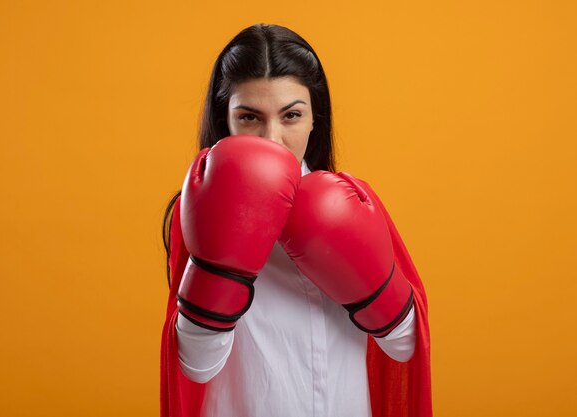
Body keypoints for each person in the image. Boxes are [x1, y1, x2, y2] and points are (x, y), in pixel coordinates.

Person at [160, 24, 432, 417]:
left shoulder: (353, 202)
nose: (273, 139)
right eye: (250, 116)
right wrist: (221, 267)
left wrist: (371, 287)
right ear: (227, 120)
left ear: (314, 119)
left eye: (291, 115)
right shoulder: (200, 209)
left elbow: (405, 347)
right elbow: (195, 368)